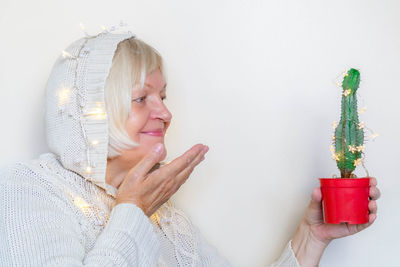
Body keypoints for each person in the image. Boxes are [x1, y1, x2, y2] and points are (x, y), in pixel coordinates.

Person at [0, 31, 380, 267]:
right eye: (140, 98)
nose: (165, 113)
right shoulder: (32, 190)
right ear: (90, 111)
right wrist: (133, 212)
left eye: (163, 96)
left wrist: (310, 237)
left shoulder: (169, 222)